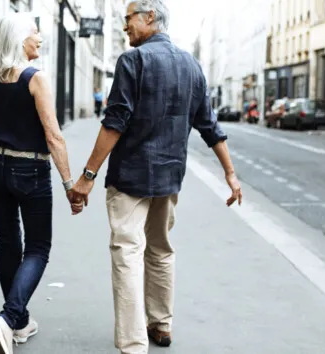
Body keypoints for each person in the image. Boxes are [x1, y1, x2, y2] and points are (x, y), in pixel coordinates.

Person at [69, 1, 243, 353]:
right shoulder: (192, 66)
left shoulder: (133, 61)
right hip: (168, 177)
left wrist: (87, 175)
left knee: (127, 253)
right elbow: (209, 125)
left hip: (130, 176)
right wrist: (230, 173)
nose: (124, 27)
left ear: (151, 17)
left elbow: (114, 122)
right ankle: (161, 325)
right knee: (161, 250)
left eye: (128, 19)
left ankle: (133, 343)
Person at [0, 13, 83, 354]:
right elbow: (53, 135)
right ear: (18, 39)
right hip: (30, 171)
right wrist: (70, 184)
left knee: (8, 244)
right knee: (37, 248)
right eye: (34, 33)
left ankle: (19, 322)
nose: (39, 39)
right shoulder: (34, 78)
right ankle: (9, 319)